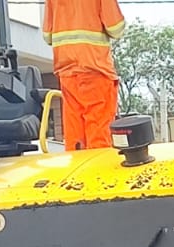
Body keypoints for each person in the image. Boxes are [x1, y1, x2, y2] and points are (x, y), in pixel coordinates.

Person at [42, 0, 126, 150]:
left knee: (75, 135)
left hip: (67, 71)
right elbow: (116, 28)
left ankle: (77, 163)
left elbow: (47, 36)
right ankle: (97, 163)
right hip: (95, 68)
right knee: (98, 132)